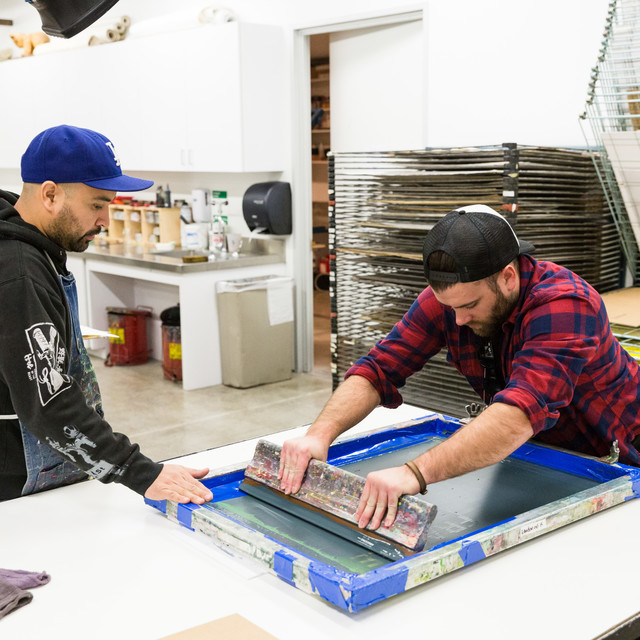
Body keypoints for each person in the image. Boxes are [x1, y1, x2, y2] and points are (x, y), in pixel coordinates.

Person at [279, 204, 640, 531]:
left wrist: (415, 473)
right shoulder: (453, 302)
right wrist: (319, 435)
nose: (459, 318)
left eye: (469, 305)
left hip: (617, 460)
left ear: (508, 277)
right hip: (536, 453)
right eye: (448, 306)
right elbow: (378, 369)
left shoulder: (565, 305)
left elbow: (517, 414)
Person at [0, 124, 213, 505]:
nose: (105, 221)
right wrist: (142, 473)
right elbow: (49, 405)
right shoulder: (20, 271)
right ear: (50, 194)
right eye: (97, 204)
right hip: (17, 476)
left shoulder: (35, 250)